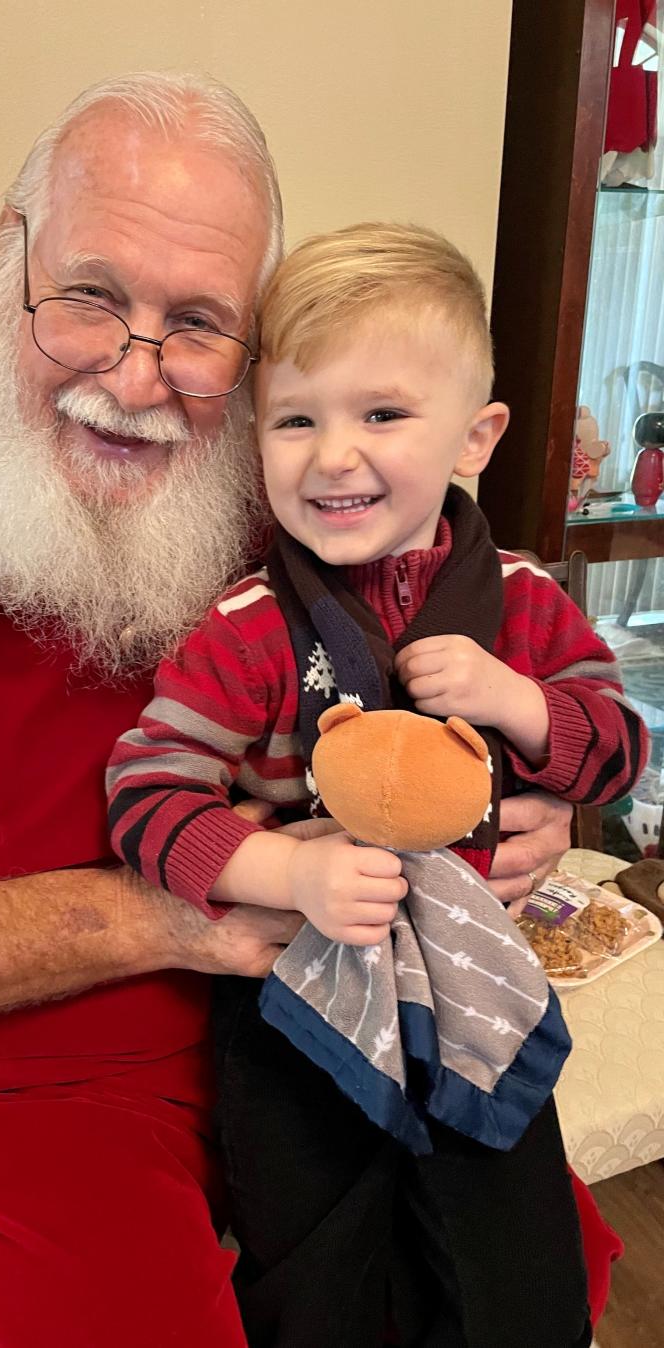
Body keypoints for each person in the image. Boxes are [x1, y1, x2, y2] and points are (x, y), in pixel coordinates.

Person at [0, 76, 575, 1348]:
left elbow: (462, 689)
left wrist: (532, 788)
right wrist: (188, 914)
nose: (136, 373)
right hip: (7, 1076)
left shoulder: (297, 500)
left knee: (508, 1281)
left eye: (201, 326)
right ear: (14, 255)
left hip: (310, 1018)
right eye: (93, 297)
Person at [108, 224, 647, 1345]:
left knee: (514, 1263)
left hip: (475, 984)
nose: (334, 456)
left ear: (476, 436)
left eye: (383, 414)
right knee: (317, 1273)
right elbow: (145, 793)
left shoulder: (524, 603)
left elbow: (617, 751)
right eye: (296, 420)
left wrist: (519, 702)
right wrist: (285, 866)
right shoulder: (248, 629)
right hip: (296, 1001)